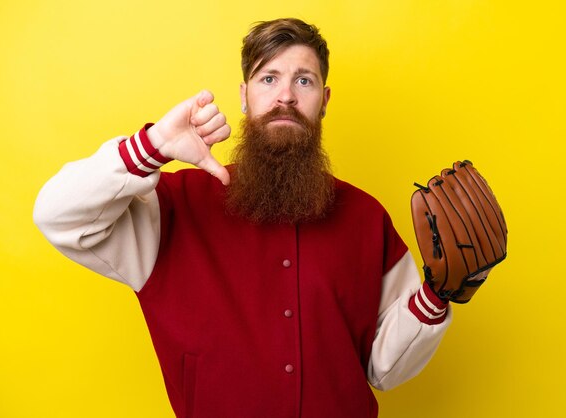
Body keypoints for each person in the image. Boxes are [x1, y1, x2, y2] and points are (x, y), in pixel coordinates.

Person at [34, 18, 451, 418]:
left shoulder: (365, 217)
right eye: (268, 79)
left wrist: (437, 295)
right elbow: (57, 216)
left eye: (302, 80)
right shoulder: (175, 206)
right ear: (244, 96)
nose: (285, 96)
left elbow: (384, 369)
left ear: (323, 101)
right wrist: (154, 145)